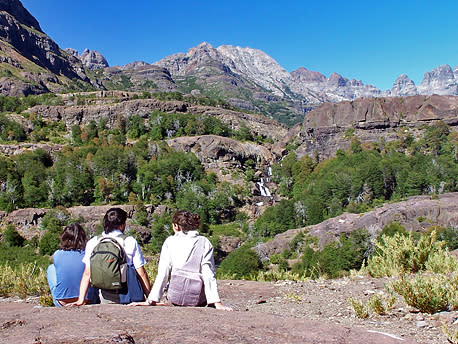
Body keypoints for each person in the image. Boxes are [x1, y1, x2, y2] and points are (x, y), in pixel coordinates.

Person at [136, 210, 232, 311]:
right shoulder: (204, 242)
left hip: (175, 296)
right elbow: (208, 273)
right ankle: (211, 301)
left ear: (176, 226)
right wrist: (216, 302)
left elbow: (163, 273)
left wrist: (152, 299)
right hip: (197, 299)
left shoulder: (170, 241)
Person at [71, 207, 151, 305]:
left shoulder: (94, 242)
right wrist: (150, 297)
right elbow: (141, 272)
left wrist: (81, 299)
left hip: (106, 292)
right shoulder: (129, 241)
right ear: (122, 225)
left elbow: (87, 273)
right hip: (128, 292)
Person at [46, 223, 99, 307]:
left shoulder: (57, 254)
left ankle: (62, 296)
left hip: (62, 302)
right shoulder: (88, 254)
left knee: (51, 268)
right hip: (88, 300)